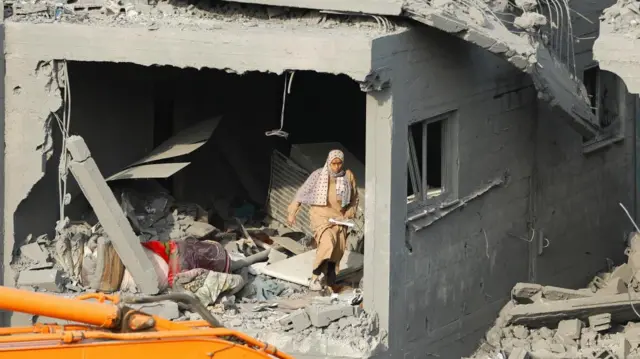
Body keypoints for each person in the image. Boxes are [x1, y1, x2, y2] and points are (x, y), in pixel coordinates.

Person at [287, 149, 359, 291]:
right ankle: (314, 277)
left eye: (339, 164)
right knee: (328, 243)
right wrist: (292, 212)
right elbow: (302, 193)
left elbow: (354, 199)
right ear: (328, 162)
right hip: (320, 215)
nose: (336, 167)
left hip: (339, 217)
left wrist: (348, 213)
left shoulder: (347, 176)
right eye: (334, 163)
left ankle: (330, 280)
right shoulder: (318, 175)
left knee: (337, 250)